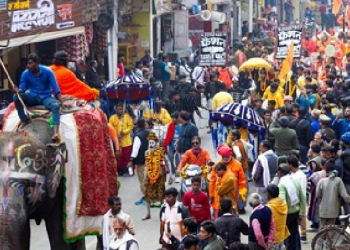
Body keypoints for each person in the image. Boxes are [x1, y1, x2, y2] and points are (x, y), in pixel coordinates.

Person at [13, 53, 63, 141]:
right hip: (32, 97)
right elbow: (22, 88)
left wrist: (61, 101)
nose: (28, 66)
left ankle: (55, 133)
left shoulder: (48, 71)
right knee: (16, 97)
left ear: (36, 63)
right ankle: (24, 120)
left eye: (30, 63)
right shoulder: (25, 73)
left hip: (46, 97)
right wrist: (18, 91)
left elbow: (56, 88)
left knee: (55, 106)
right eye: (27, 64)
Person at [210, 145, 247, 216]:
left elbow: (242, 180)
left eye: (227, 157)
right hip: (219, 196)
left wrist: (242, 193)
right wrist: (211, 195)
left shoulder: (237, 165)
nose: (225, 159)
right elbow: (212, 181)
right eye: (223, 157)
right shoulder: (217, 165)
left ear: (231, 155)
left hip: (232, 196)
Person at [277, 164, 306, 250]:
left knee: (287, 237)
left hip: (287, 215)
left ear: (280, 173)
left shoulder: (282, 184)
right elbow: (303, 198)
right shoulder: (295, 181)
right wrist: (301, 213)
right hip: (296, 213)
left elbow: (282, 202)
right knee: (295, 234)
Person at [317, 160, 350, 229]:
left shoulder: (321, 181)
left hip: (323, 209)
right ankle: (328, 239)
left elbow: (318, 195)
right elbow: (345, 196)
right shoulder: (338, 180)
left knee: (322, 229)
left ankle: (321, 239)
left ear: (325, 169)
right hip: (333, 210)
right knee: (331, 229)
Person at [144, 132, 166, 219]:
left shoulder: (160, 151)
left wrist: (169, 175)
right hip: (149, 176)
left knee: (161, 195)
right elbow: (146, 165)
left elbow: (165, 162)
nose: (151, 145)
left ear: (156, 143)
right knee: (147, 195)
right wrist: (145, 178)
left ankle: (162, 213)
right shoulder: (146, 153)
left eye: (153, 143)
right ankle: (148, 213)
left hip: (160, 176)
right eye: (150, 143)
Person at [287, 155, 308, 244]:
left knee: (301, 216)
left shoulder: (301, 176)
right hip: (292, 200)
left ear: (291, 165)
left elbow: (302, 191)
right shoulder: (291, 174)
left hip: (298, 200)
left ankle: (303, 235)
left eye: (287, 163)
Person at [109, 104, 134, 176]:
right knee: (118, 157)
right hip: (117, 141)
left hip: (126, 141)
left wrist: (124, 132)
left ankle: (127, 170)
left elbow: (130, 126)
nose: (120, 111)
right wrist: (115, 134)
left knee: (126, 156)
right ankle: (119, 170)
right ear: (115, 110)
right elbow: (110, 128)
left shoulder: (127, 116)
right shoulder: (112, 118)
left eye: (121, 109)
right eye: (119, 109)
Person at [130, 119, 150, 205]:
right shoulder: (150, 133)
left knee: (142, 178)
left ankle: (145, 196)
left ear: (137, 125)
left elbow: (135, 149)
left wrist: (131, 159)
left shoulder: (138, 135)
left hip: (141, 159)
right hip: (150, 158)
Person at [266, 184, 290, 250]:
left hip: (272, 239)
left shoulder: (269, 207)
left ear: (269, 194)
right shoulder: (283, 203)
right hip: (282, 237)